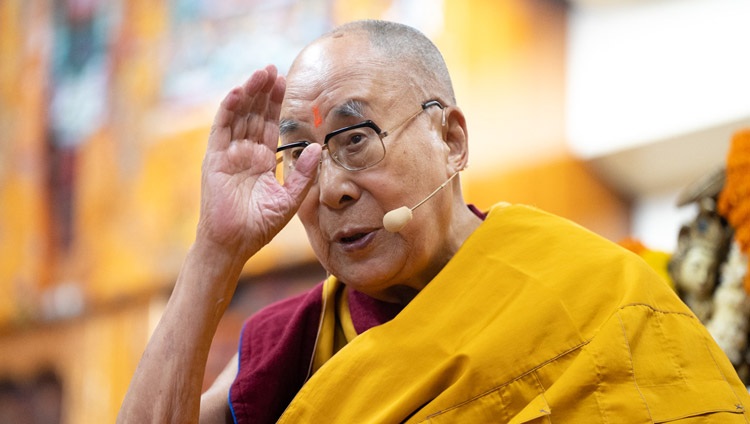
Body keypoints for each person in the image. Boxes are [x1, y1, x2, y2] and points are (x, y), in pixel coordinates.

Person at [117, 20, 750, 423]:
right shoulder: (296, 343)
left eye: (355, 138)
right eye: (300, 154)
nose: (329, 187)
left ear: (450, 138)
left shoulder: (594, 295)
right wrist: (214, 250)